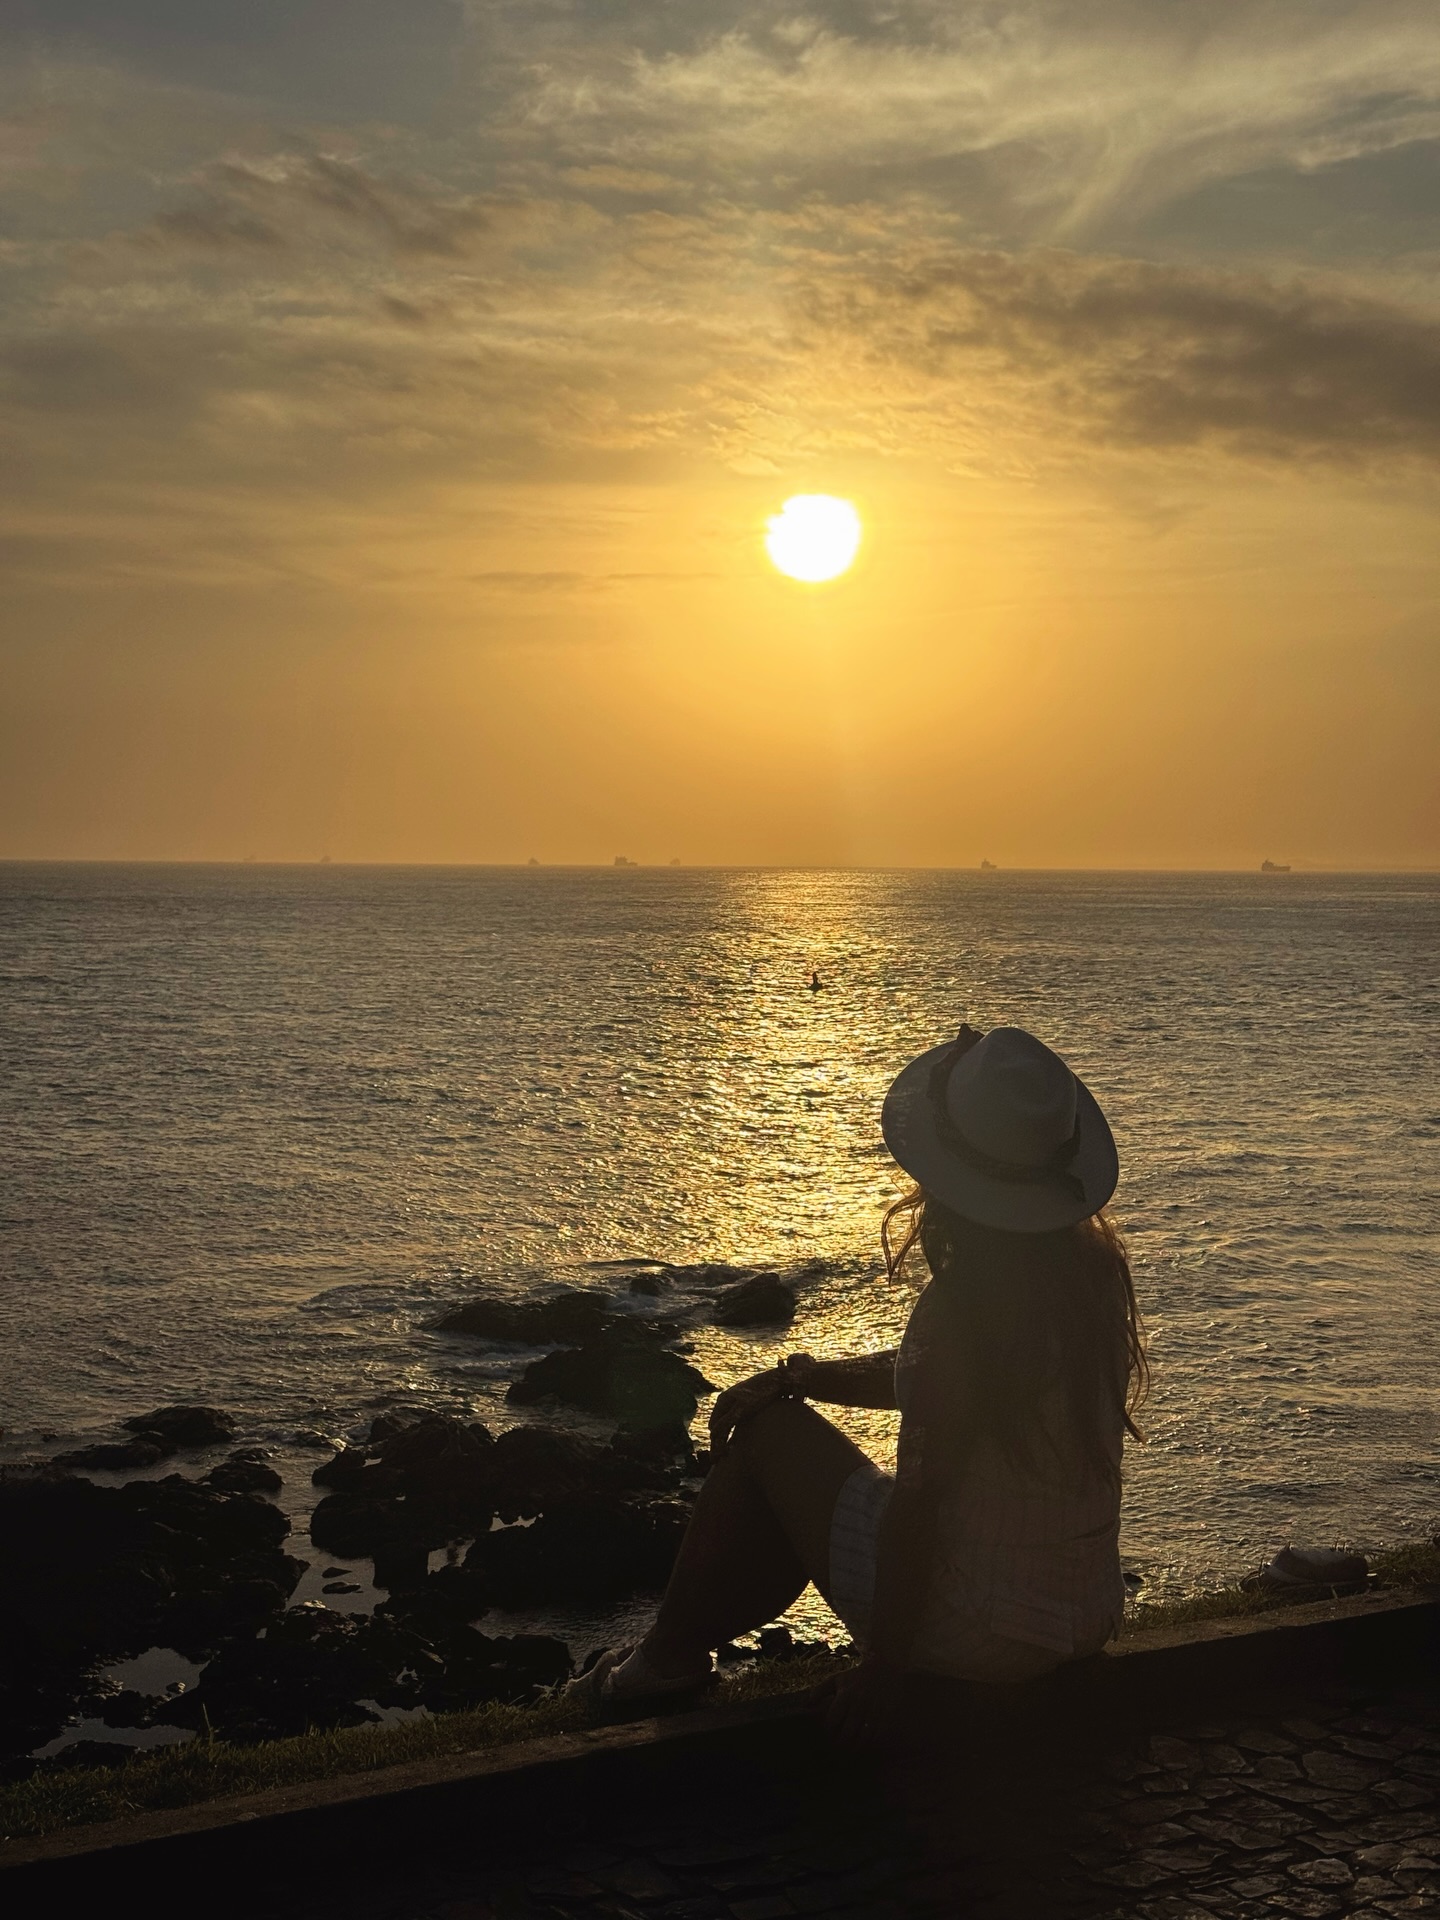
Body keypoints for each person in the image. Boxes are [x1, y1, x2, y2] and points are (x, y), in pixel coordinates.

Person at [569, 1023, 1148, 1739]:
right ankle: (674, 1651)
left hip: (976, 1631)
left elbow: (920, 1502)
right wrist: (805, 1376)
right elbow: (948, 1387)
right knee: (784, 1427)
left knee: (767, 1437)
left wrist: (886, 1667)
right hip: (1082, 1615)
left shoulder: (963, 1306)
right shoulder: (1093, 1281)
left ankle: (663, 1661)